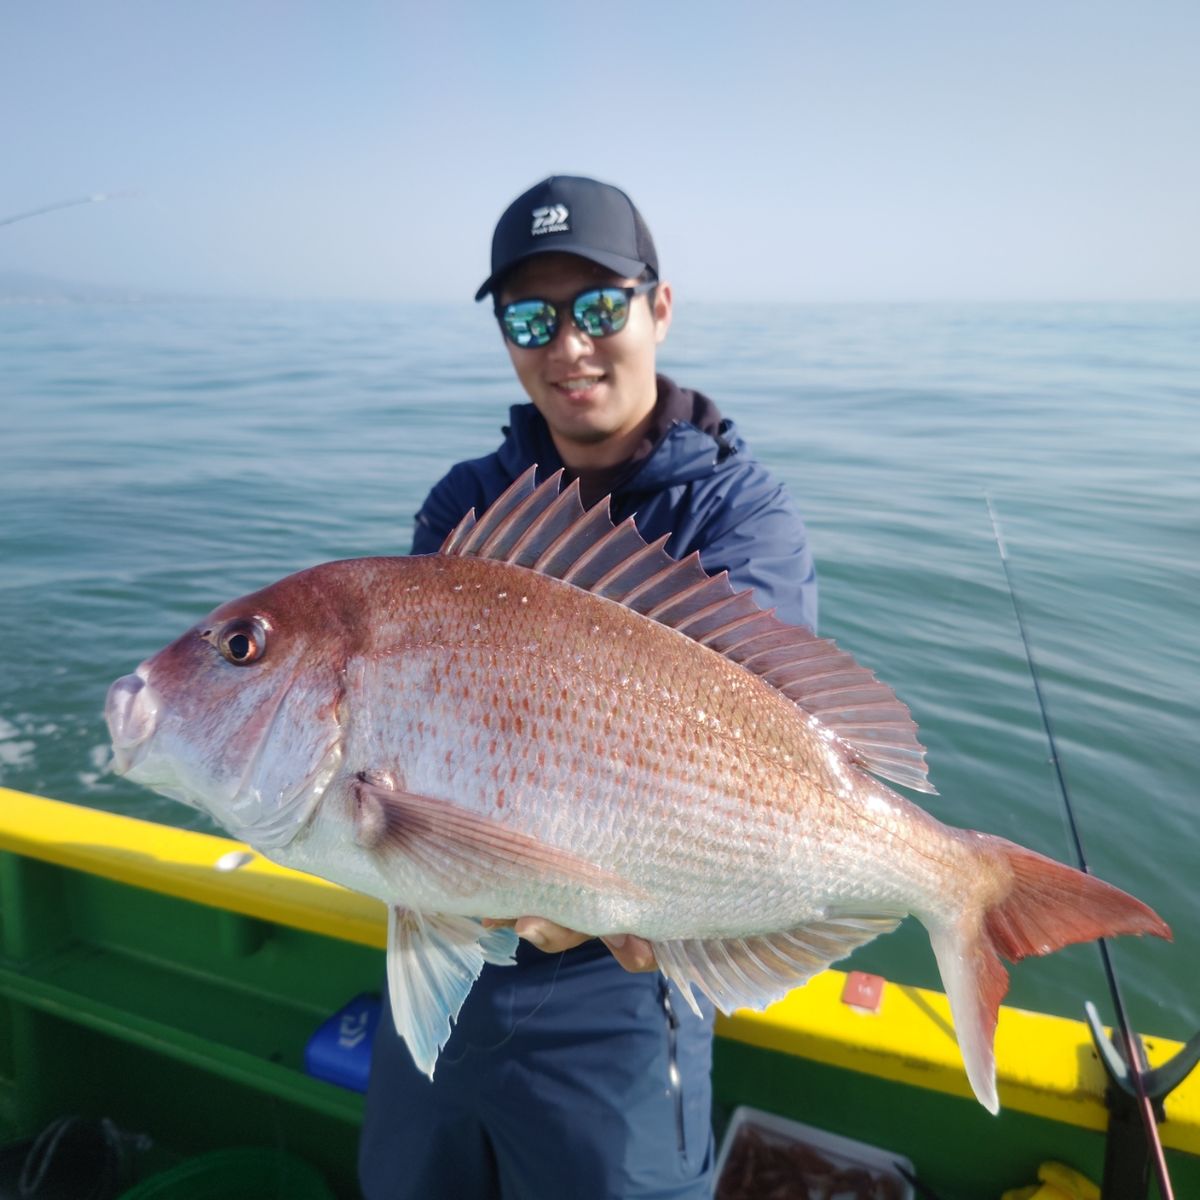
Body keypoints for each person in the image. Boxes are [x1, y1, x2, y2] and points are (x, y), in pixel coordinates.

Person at [359, 175, 818, 1200]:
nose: (567, 346)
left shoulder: (740, 520)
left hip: (622, 983)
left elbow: (765, 746)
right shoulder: (470, 503)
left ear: (659, 306)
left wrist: (584, 884)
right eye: (531, 317)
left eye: (598, 308)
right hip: (448, 947)